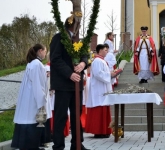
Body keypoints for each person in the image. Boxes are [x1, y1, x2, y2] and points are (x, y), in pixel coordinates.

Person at [50, 18, 89, 150]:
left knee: (76, 115)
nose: (79, 27)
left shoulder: (79, 39)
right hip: (63, 84)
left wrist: (83, 63)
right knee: (61, 116)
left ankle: (77, 144)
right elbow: (55, 59)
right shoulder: (59, 38)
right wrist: (69, 73)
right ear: (71, 26)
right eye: (78, 25)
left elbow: (85, 55)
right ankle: (58, 145)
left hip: (76, 85)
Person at [11, 44, 50, 150]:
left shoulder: (32, 63)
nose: (45, 53)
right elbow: (38, 85)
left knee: (27, 126)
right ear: (40, 51)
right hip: (33, 101)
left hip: (28, 99)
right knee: (33, 126)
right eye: (45, 51)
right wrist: (42, 102)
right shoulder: (37, 64)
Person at [85, 44, 115, 138]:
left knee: (103, 107)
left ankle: (104, 131)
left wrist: (111, 74)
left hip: (102, 87)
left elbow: (102, 73)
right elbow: (98, 74)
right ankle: (98, 131)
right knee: (99, 108)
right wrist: (109, 75)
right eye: (105, 50)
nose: (106, 51)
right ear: (100, 51)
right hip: (99, 89)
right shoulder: (97, 61)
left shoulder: (101, 61)